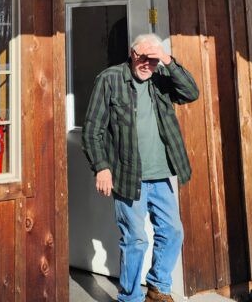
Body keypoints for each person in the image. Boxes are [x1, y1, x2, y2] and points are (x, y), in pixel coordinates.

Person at [82, 32, 200, 302]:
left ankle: (158, 289)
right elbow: (92, 130)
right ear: (133, 54)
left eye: (153, 60)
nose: (148, 64)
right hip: (127, 175)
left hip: (161, 175)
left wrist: (168, 61)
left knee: (172, 232)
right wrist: (101, 167)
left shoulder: (161, 77)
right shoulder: (110, 79)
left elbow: (191, 93)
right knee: (135, 239)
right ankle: (130, 298)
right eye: (144, 58)